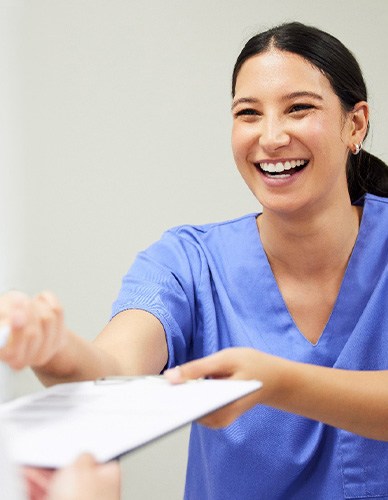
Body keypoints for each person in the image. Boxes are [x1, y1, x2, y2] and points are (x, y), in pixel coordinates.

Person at [0, 21, 387, 499]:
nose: (270, 137)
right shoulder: (187, 261)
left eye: (299, 108)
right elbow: (114, 370)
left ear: (356, 123)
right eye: (248, 113)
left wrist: (278, 382)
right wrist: (56, 350)